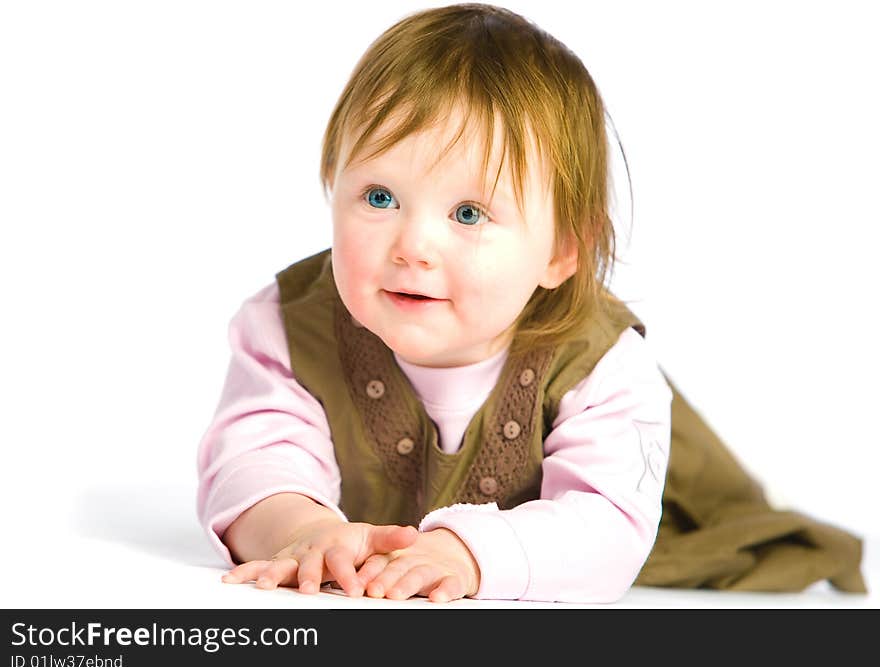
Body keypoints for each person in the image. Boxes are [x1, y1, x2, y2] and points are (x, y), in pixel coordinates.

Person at [196, 3, 866, 604]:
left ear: (560, 251)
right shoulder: (287, 325)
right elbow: (252, 456)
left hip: (659, 495)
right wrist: (303, 528)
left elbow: (605, 525)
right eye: (378, 197)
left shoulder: (601, 365)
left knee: (724, 530)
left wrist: (467, 554)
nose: (413, 245)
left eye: (467, 212)